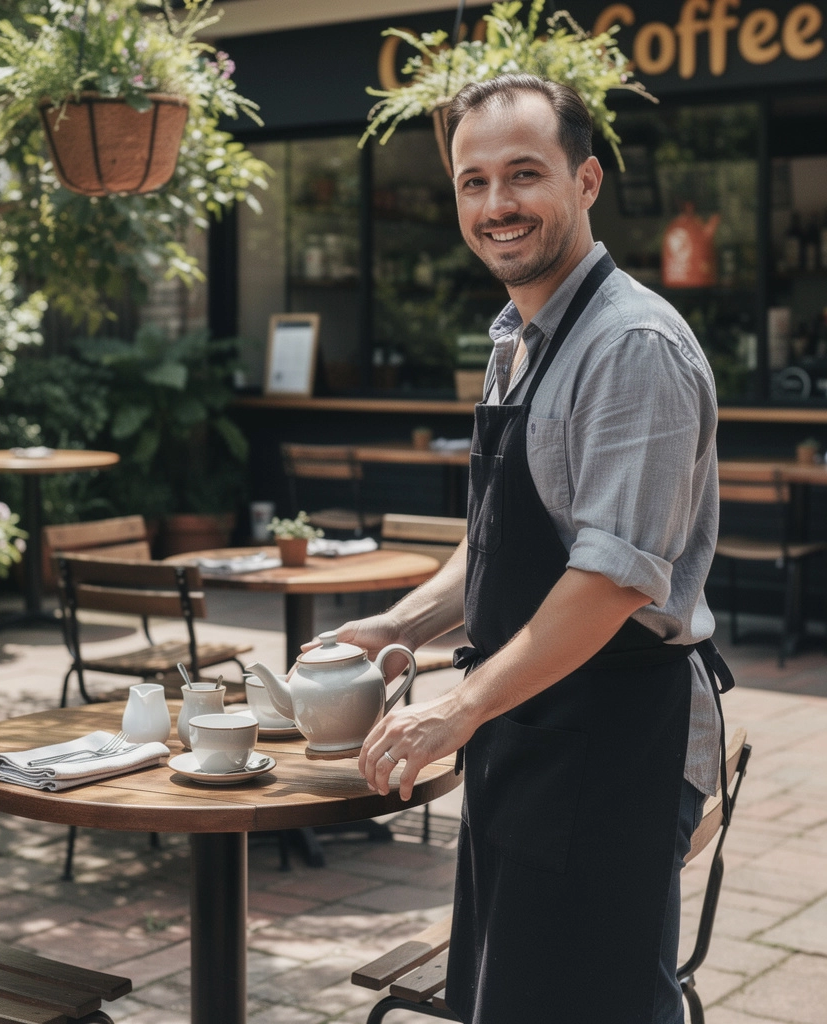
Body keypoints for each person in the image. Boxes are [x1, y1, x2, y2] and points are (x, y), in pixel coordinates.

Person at [328, 75, 731, 1024]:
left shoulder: (631, 345)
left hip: (614, 739)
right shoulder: (519, 335)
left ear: (585, 181)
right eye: (473, 182)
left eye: (523, 174)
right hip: (531, 722)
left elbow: (609, 581)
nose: (496, 204)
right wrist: (399, 626)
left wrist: (455, 709)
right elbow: (504, 537)